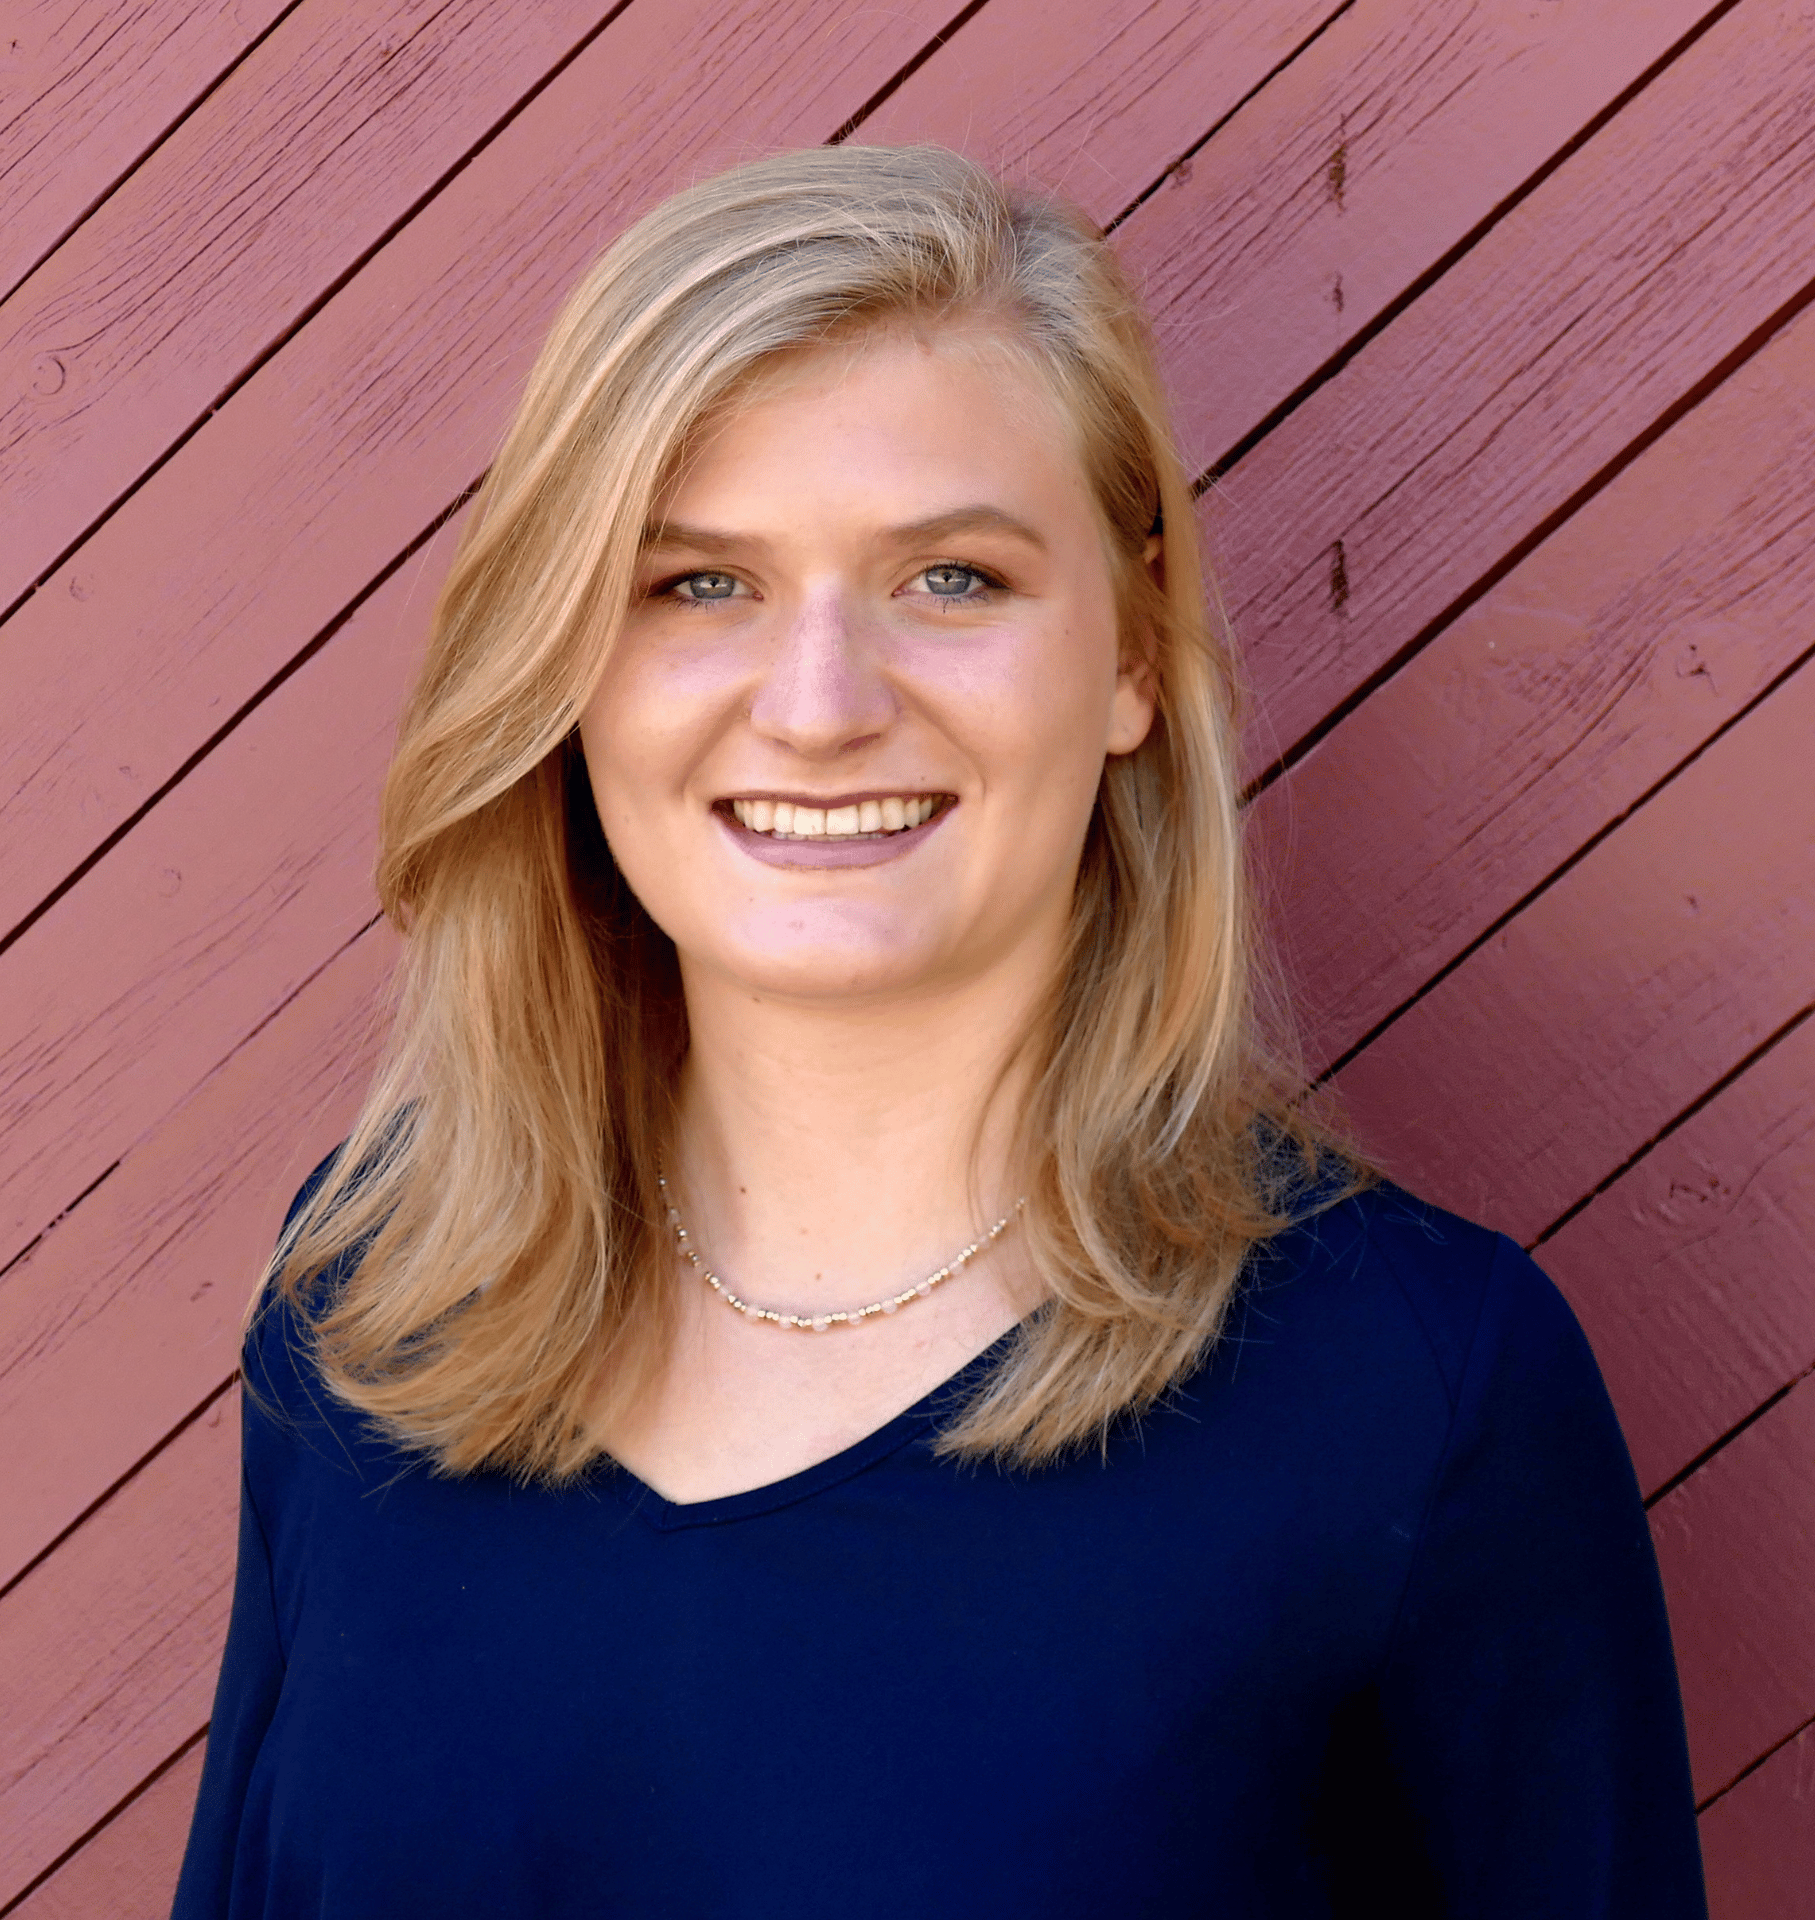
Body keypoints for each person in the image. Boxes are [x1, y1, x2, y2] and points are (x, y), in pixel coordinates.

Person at [172, 145, 1708, 1917]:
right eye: (697, 585)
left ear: (1135, 653)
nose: (820, 706)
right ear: (565, 664)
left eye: (951, 580)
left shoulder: (1419, 1397)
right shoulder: (374, 1305)